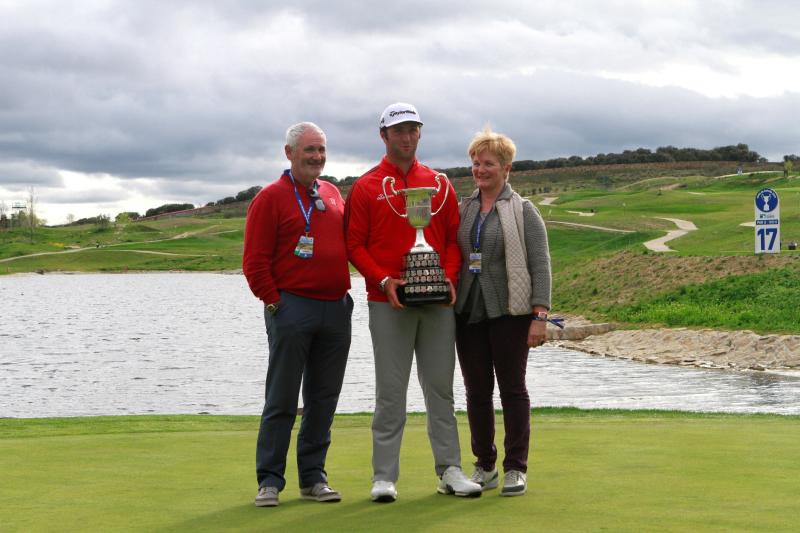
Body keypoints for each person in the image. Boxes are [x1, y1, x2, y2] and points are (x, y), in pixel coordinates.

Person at [345, 102, 482, 502]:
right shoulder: (368, 186)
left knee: (441, 389)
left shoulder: (438, 184)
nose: (407, 137)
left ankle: (450, 470)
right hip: (388, 303)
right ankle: (384, 476)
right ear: (384, 136)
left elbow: (452, 238)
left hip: (437, 302)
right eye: (398, 131)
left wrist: (450, 278)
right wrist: (384, 279)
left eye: (413, 130)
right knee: (391, 392)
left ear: (419, 134)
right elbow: (355, 244)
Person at [243, 122, 353, 507]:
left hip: (336, 308)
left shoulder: (333, 193)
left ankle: (313, 477)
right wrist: (275, 304)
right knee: (283, 398)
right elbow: (254, 262)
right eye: (309, 149)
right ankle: (270, 480)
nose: (317, 157)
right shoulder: (270, 197)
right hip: (292, 307)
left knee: (323, 398)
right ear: (289, 153)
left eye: (321, 149)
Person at [454, 126, 552, 497]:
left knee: (513, 390)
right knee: (476, 391)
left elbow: (541, 266)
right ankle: (484, 464)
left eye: (488, 163)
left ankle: (515, 467)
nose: (480, 170)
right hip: (468, 314)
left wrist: (539, 317)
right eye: (476, 163)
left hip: (511, 313)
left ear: (507, 168)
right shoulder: (464, 208)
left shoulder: (523, 210)